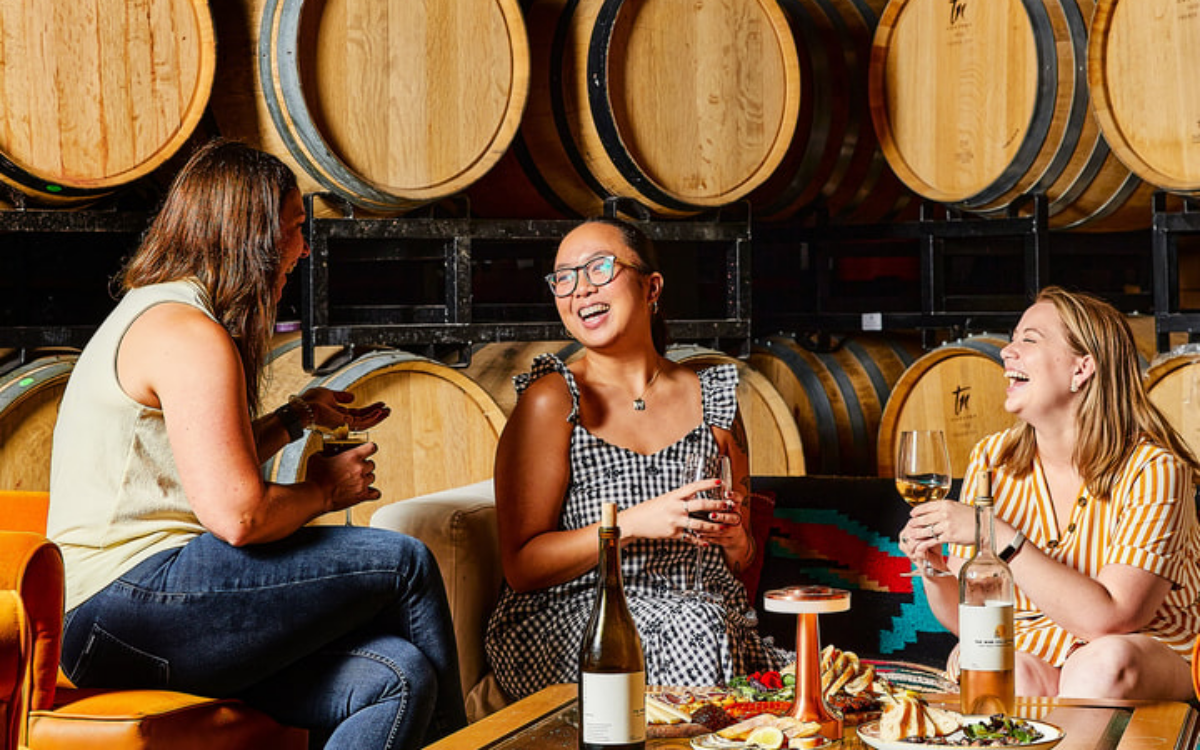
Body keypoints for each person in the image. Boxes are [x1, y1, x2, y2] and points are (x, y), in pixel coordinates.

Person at [47, 139, 468, 749]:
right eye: (295, 230)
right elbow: (239, 516)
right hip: (124, 608)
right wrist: (324, 488)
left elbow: (198, 459)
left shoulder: (160, 311)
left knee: (395, 676)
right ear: (254, 235)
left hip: (121, 620)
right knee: (404, 563)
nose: (301, 248)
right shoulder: (190, 334)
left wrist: (296, 417)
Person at [484, 216, 789, 700]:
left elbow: (742, 557)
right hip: (584, 618)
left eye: (599, 268)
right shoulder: (553, 400)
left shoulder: (714, 400)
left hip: (706, 614)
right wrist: (630, 523)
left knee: (829, 690)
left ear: (652, 287)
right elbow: (522, 566)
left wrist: (733, 538)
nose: (580, 289)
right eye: (564, 277)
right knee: (698, 629)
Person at [900, 286, 1200, 700]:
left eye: (1029, 339)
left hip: (1147, 649)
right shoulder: (993, 459)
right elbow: (973, 619)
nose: (1007, 351)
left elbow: (1112, 617)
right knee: (991, 661)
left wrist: (995, 533)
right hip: (1036, 647)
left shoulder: (1154, 469)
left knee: (1100, 665)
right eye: (1013, 337)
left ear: (1082, 369)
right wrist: (931, 566)